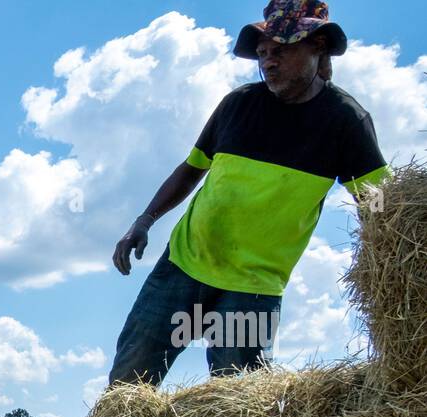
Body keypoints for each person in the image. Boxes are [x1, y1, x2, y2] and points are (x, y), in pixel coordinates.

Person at [106, 1, 387, 388]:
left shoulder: (345, 121)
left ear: (318, 45)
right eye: (263, 53)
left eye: (282, 50)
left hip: (252, 289)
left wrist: (393, 269)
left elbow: (378, 204)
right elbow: (191, 170)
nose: (268, 62)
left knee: (238, 413)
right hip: (184, 266)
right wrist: (143, 220)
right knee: (128, 385)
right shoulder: (238, 104)